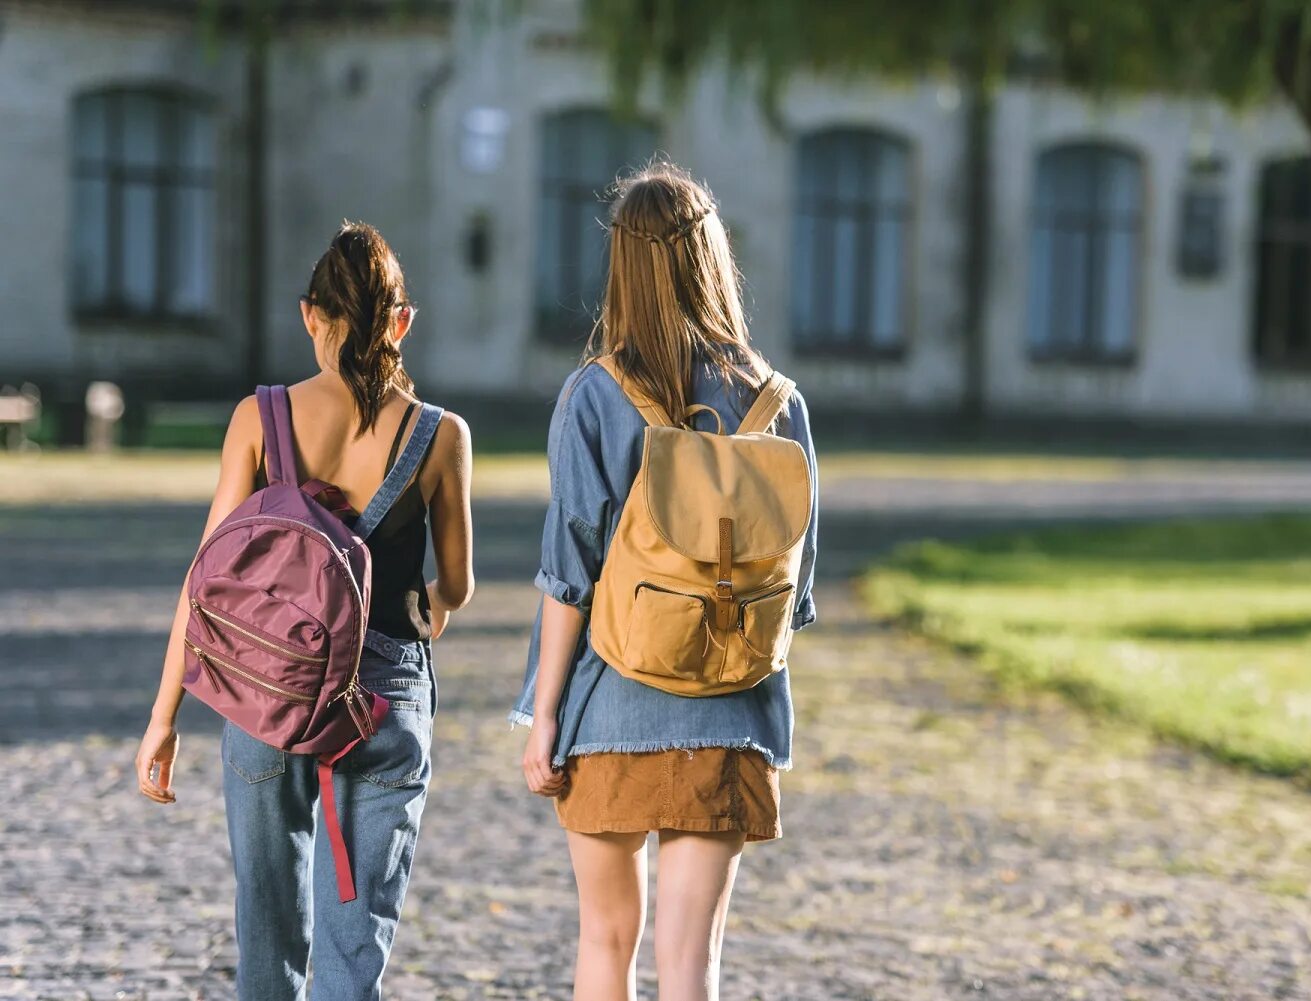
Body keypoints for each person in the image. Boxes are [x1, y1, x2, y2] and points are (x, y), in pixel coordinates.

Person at [133, 221, 474, 1000]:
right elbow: (457, 583)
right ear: (402, 322)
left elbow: (205, 578)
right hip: (382, 695)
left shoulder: (260, 417)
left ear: (309, 317)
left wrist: (164, 715)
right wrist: (435, 609)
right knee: (355, 957)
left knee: (266, 932)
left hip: (265, 689)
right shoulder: (439, 437)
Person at [511, 162, 819, 1001]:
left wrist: (543, 719)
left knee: (606, 943)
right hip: (730, 716)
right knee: (693, 968)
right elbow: (800, 591)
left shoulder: (594, 396)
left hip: (609, 707)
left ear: (623, 266)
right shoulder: (777, 405)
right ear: (713, 258)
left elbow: (568, 574)